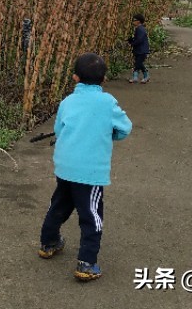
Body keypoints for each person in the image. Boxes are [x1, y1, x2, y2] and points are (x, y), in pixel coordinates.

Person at [38, 52, 132, 281]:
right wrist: (110, 134)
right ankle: (87, 262)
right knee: (91, 215)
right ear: (104, 79)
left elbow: (60, 131)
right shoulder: (108, 102)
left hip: (64, 167)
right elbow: (125, 128)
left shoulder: (67, 102)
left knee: (59, 204)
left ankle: (48, 243)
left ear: (74, 77)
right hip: (89, 173)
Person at [127, 13, 150, 84]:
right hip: (140, 50)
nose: (133, 21)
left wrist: (132, 43)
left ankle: (135, 77)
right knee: (139, 64)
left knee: (137, 64)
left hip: (141, 50)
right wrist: (132, 40)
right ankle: (146, 76)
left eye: (134, 20)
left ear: (139, 21)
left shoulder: (140, 29)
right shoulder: (139, 29)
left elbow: (139, 40)